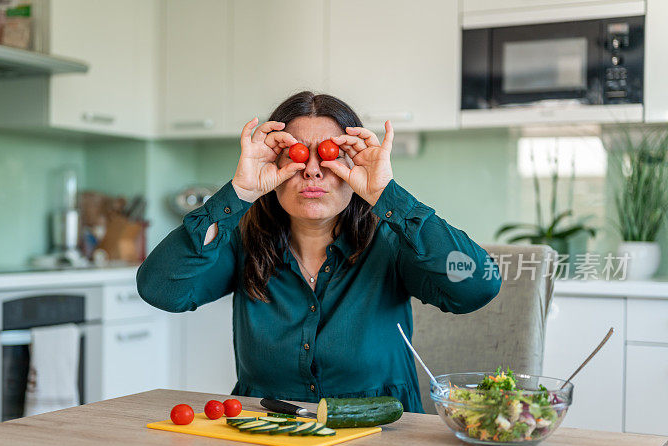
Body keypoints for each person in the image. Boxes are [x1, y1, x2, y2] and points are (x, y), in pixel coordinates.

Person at [136, 91, 501, 413]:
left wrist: (387, 194)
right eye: (295, 154)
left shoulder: (393, 242)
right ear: (274, 165)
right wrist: (239, 193)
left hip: (382, 438)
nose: (312, 170)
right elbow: (161, 289)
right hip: (268, 434)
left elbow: (476, 286)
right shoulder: (242, 241)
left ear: (353, 164)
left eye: (330, 154)